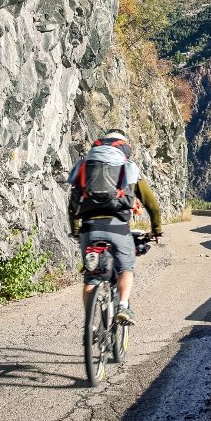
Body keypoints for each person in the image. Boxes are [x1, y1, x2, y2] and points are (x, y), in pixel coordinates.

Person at [69, 129, 162, 325]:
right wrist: (157, 229)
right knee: (126, 267)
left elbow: (73, 203)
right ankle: (123, 306)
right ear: (124, 147)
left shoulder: (85, 166)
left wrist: (76, 230)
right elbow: (151, 203)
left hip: (89, 227)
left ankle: (91, 324)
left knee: (91, 276)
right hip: (117, 226)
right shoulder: (127, 166)